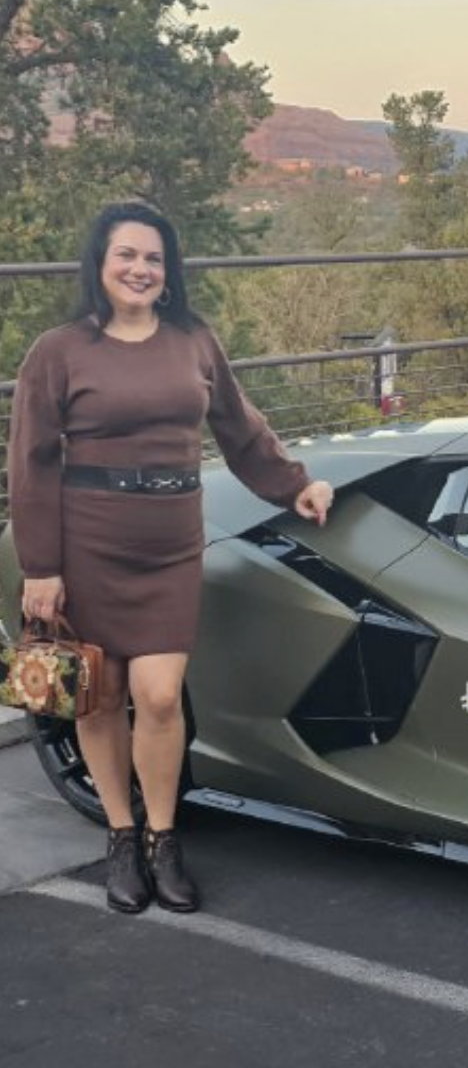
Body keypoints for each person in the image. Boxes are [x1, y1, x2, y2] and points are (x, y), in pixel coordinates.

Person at [7, 200, 334, 915]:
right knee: (98, 696)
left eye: (153, 258)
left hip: (169, 543)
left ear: (169, 270)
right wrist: (41, 565)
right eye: (126, 255)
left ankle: (164, 837)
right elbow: (30, 462)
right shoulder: (58, 351)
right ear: (99, 263)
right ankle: (120, 837)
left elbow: (240, 429)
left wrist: (296, 485)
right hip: (88, 540)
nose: (140, 269)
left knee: (157, 696)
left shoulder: (193, 340)